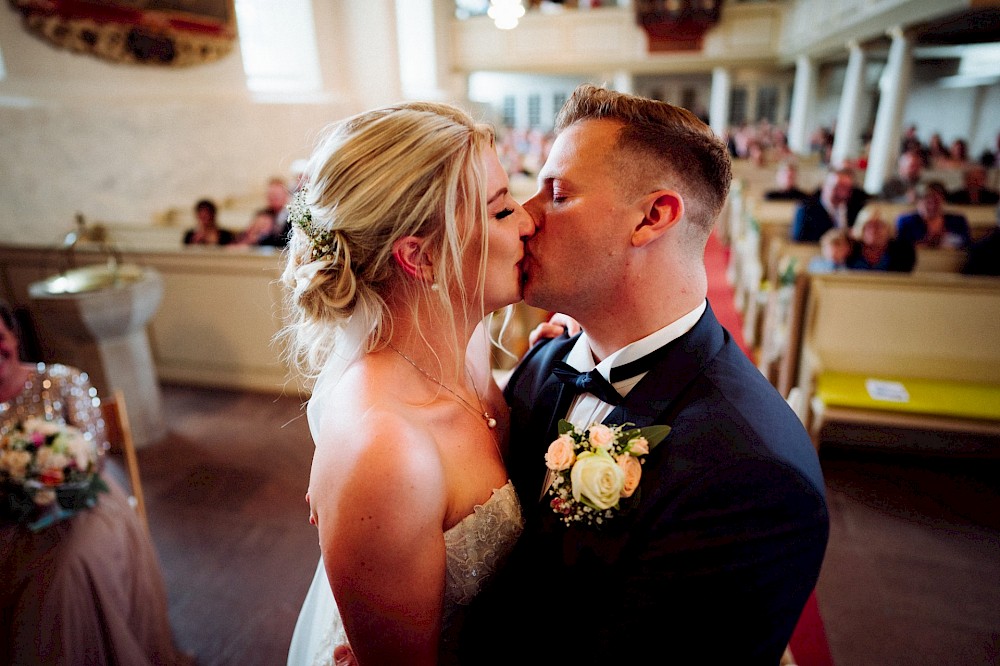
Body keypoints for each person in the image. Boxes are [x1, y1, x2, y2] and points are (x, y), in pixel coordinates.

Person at [460, 84, 829, 664]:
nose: (525, 219)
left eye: (556, 193)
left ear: (653, 217)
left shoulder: (750, 475)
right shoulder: (548, 360)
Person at [283, 101, 533, 666]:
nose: (528, 219)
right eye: (499, 211)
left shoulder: (462, 344)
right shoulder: (387, 452)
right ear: (420, 256)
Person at [0, 300, 188, 666]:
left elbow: (93, 455)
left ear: (14, 337)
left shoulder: (62, 380)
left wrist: (49, 480)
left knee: (67, 570)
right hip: (10, 515)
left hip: (82, 503)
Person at [790, 166, 868, 242]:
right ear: (824, 186)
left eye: (847, 187)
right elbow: (799, 239)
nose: (843, 192)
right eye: (838, 186)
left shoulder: (856, 208)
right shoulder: (806, 209)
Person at [896, 181, 971, 249]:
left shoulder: (958, 220)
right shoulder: (906, 221)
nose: (932, 205)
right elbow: (901, 248)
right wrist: (926, 243)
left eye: (936, 200)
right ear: (918, 201)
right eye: (927, 200)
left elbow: (967, 245)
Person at [845, 204, 916, 272]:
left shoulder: (904, 252)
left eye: (879, 225)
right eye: (869, 225)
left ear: (888, 229)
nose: (873, 230)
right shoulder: (850, 248)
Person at [257, 176, 292, 247]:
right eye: (270, 195)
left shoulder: (293, 217)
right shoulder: (263, 215)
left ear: (286, 195)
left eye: (276, 195)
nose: (273, 198)